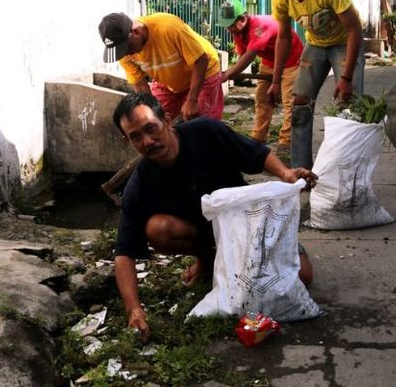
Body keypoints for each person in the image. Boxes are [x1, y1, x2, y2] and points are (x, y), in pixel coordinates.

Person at [112, 91, 318, 338]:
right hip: (204, 237)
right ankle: (209, 260)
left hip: (248, 227)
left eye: (151, 128)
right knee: (157, 228)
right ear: (127, 141)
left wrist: (285, 174)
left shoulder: (205, 132)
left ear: (166, 120)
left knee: (302, 276)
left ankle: (251, 257)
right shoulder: (139, 185)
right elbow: (124, 252)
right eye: (135, 136)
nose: (147, 141)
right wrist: (134, 309)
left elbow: (256, 153)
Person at [252, 0, 365, 169]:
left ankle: (348, 170)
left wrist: (346, 78)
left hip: (345, 43)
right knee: (299, 107)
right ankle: (301, 172)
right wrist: (275, 81)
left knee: (349, 108)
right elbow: (283, 38)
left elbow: (355, 30)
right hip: (315, 46)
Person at [99, 12, 223, 122]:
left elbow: (201, 60)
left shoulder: (168, 28)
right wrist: (154, 112)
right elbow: (141, 86)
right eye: (120, 51)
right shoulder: (123, 53)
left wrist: (192, 99)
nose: (126, 54)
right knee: (155, 117)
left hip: (204, 70)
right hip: (169, 79)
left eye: (127, 48)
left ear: (135, 31)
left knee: (201, 122)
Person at [217, 0, 304, 153]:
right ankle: (258, 137)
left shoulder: (259, 26)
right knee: (262, 97)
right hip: (270, 61)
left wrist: (228, 74)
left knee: (290, 102)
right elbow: (242, 56)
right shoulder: (238, 31)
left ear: (242, 19)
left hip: (292, 59)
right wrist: (233, 72)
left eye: (229, 25)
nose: (227, 29)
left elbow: (249, 56)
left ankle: (286, 142)